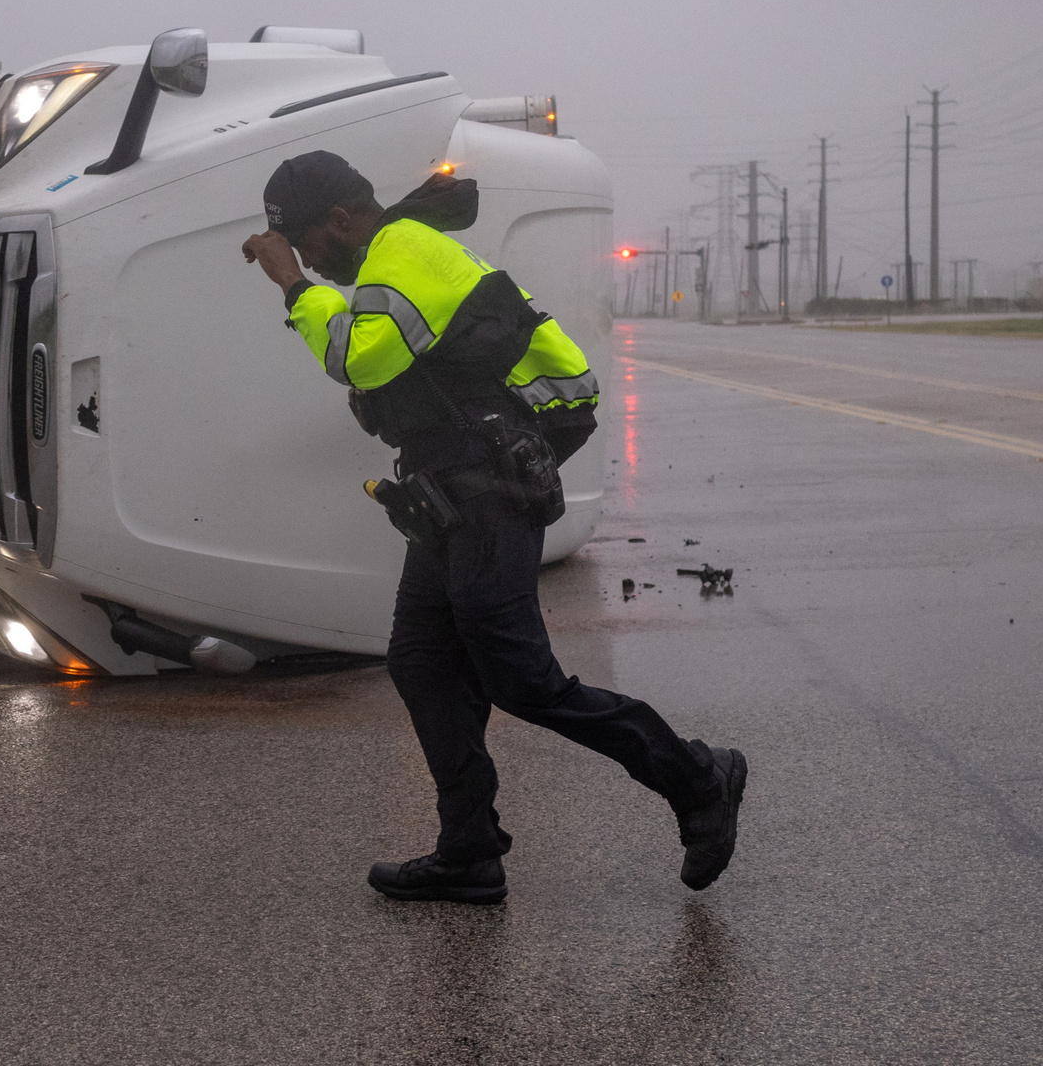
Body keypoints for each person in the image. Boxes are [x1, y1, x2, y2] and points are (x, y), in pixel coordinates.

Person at [242, 150, 747, 904]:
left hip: (487, 488)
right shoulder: (396, 253)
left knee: (521, 679)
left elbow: (358, 358)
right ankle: (468, 850)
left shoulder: (402, 252)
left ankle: (700, 778)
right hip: (449, 489)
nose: (311, 260)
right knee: (420, 661)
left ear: (341, 220)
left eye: (309, 243)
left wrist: (291, 284)